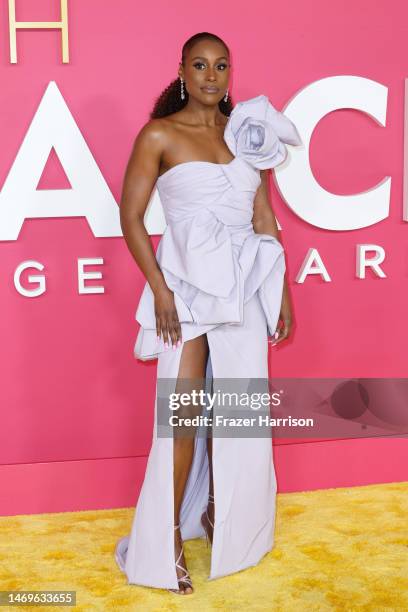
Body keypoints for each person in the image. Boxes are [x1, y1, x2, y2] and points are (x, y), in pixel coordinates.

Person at [115, 31, 302, 595]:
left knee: (236, 414)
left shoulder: (248, 135)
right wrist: (161, 291)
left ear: (229, 74)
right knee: (183, 419)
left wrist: (283, 291)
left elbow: (263, 217)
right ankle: (165, 536)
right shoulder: (159, 135)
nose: (210, 75)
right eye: (199, 65)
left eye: (220, 66)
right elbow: (130, 216)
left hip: (244, 287)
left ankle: (227, 519)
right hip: (187, 292)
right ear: (182, 71)